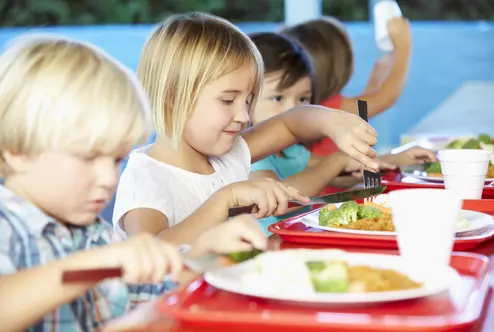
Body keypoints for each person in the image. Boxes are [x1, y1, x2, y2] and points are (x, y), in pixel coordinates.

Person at [0, 33, 266, 332]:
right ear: (17, 151)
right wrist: (93, 266)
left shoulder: (92, 234)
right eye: (88, 158)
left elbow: (146, 291)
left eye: (116, 160)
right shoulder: (7, 227)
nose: (108, 178)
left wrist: (201, 256)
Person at [112, 12, 380, 245]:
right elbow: (150, 251)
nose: (243, 115)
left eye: (249, 100)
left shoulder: (228, 156)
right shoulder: (146, 178)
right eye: (228, 100)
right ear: (173, 97)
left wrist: (332, 122)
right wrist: (225, 199)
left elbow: (290, 124)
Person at [247, 32, 435, 232]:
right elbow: (281, 200)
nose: (293, 109)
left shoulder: (290, 150)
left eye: (302, 99)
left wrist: (394, 160)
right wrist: (337, 160)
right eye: (278, 98)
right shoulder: (250, 154)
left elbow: (334, 174)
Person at [280, 16, 411, 157]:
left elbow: (362, 111)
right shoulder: (329, 109)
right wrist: (403, 48)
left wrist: (374, 83)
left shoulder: (308, 107)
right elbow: (387, 97)